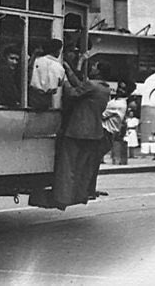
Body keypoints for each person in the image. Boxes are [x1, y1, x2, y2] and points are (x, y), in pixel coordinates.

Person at [52, 58, 110, 207]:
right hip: (94, 133)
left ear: (99, 71)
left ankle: (62, 198)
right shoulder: (104, 88)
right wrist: (69, 70)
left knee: (68, 165)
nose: (92, 68)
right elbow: (80, 86)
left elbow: (73, 93)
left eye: (95, 66)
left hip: (77, 130)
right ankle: (78, 195)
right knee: (81, 167)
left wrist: (63, 79)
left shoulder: (91, 85)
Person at [29, 38, 66, 110]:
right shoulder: (59, 67)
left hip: (33, 97)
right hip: (47, 98)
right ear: (57, 50)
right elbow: (60, 83)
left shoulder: (36, 61)